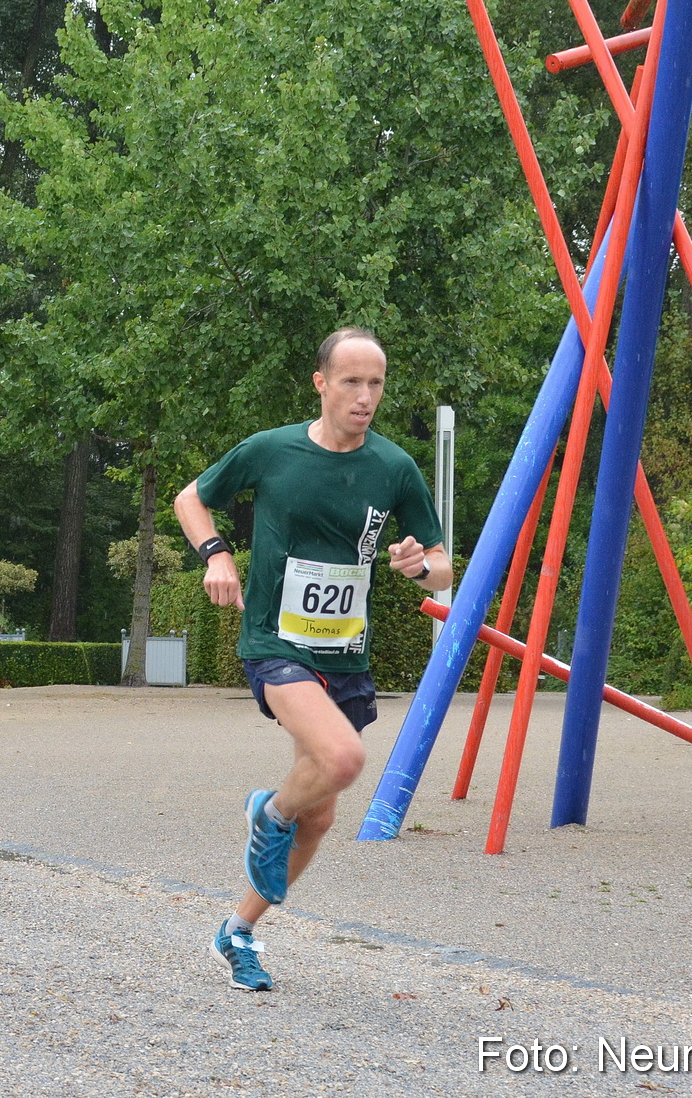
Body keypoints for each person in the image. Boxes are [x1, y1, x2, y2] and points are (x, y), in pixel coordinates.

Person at [172, 326, 453, 992]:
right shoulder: (272, 450)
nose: (365, 397)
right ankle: (267, 811)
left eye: (375, 383)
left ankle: (237, 931)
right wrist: (216, 555)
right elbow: (191, 497)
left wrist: (419, 566)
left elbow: (442, 567)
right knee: (343, 760)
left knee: (320, 815)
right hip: (276, 643)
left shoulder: (394, 467)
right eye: (351, 382)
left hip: (345, 654)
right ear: (321, 383)